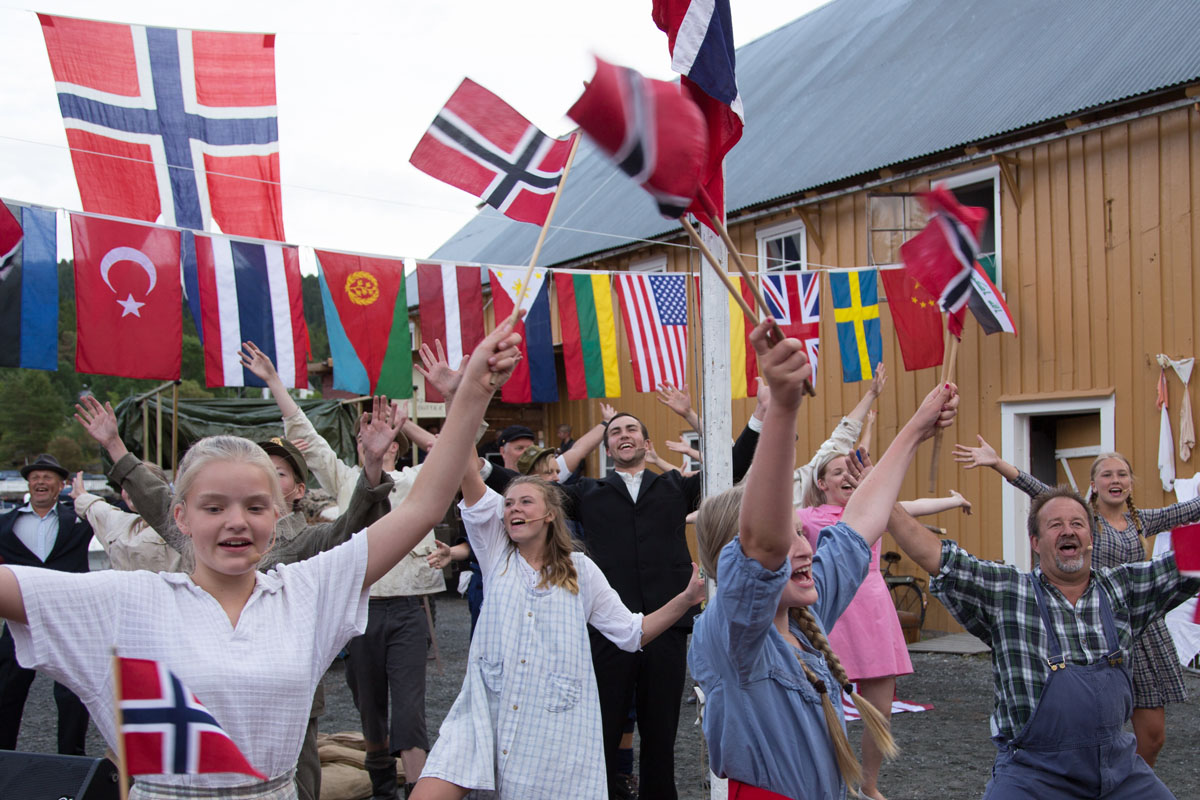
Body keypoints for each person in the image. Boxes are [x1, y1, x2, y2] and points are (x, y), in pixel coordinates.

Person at [0, 322, 521, 800]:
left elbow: (426, 503)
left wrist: (474, 390)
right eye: (213, 507)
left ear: (278, 515)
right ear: (179, 516)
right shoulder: (125, 599)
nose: (236, 522)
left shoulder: (307, 591)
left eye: (254, 507)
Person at [76, 393, 399, 800]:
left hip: (282, 688)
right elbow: (159, 502)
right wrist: (115, 447)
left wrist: (372, 469)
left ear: (296, 491)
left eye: (278, 473)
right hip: (206, 679)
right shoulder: (208, 539)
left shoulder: (312, 542)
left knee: (294, 779)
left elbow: (357, 531)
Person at [690, 322, 958, 799]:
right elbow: (763, 546)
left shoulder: (805, 614)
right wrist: (784, 409)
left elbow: (861, 523)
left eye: (802, 532)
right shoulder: (731, 632)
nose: (805, 547)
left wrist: (917, 427)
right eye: (787, 536)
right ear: (732, 563)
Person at [412, 451, 706, 799]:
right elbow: (467, 471)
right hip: (482, 717)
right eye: (507, 504)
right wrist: (460, 398)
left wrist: (686, 599)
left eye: (525, 502)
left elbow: (632, 633)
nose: (513, 509)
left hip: (549, 732)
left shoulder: (581, 571)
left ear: (550, 514)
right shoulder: (495, 553)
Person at [886, 479, 1200, 799]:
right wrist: (881, 493)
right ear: (1035, 542)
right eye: (1055, 525)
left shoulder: (1124, 587)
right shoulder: (1010, 592)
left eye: (1077, 523)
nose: (1068, 530)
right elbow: (937, 557)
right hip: (1033, 775)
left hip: (1119, 771)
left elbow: (1191, 557)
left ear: (1090, 537)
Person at [243, 342, 447, 799]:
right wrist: (276, 383)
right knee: (369, 708)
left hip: (409, 610)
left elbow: (445, 450)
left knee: (411, 712)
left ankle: (416, 789)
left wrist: (404, 421)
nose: (376, 442)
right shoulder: (346, 479)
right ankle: (381, 790)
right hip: (360, 611)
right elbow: (306, 438)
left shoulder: (416, 482)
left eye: (386, 437)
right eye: (365, 437)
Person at [954, 437, 1200, 766]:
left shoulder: (1141, 521)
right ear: (1094, 485)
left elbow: (1188, 510)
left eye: (1123, 475)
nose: (1116, 481)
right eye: (1108, 475)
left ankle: (1126, 782)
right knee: (1090, 724)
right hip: (1093, 623)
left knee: (1153, 735)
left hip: (1141, 625)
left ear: (1130, 483)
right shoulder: (1085, 520)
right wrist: (998, 463)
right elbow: (1038, 489)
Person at [560, 401, 760, 800]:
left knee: (660, 729)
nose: (623, 435)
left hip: (667, 624)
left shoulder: (674, 487)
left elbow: (731, 467)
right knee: (603, 724)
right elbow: (529, 490)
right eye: (615, 432)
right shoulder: (587, 492)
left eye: (631, 429)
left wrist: (759, 419)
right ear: (608, 448)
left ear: (645, 442)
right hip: (606, 629)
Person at [798, 450, 970, 800]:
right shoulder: (808, 516)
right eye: (836, 472)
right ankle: (834, 782)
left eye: (850, 472)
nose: (846, 477)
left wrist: (953, 501)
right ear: (821, 483)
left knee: (881, 709)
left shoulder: (875, 509)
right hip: (833, 610)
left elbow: (916, 505)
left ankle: (870, 784)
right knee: (825, 707)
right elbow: (761, 515)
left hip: (874, 608)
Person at [0, 454, 92, 756]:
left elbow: (125, 511)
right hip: (18, 620)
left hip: (68, 621)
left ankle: (71, 762)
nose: (40, 481)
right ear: (28, 483)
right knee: (6, 693)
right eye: (35, 477)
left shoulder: (80, 521)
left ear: (61, 485)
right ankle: (4, 759)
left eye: (47, 477)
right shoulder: (4, 524)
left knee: (71, 696)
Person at [71, 464, 187, 573]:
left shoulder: (179, 524)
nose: (130, 491)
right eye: (126, 486)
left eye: (139, 485)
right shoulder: (121, 522)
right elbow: (96, 509)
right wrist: (81, 495)